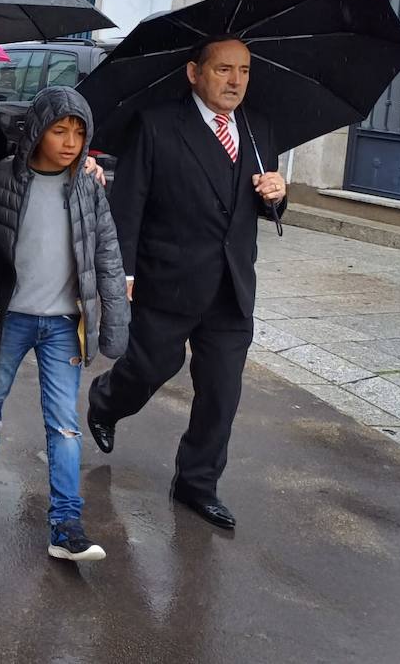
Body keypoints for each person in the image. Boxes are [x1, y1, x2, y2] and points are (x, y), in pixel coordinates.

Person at [87, 35, 286, 530]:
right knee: (153, 365)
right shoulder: (157, 126)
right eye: (223, 69)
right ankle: (106, 402)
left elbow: (263, 203)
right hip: (168, 278)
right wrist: (123, 275)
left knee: (222, 392)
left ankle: (197, 483)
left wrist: (277, 196)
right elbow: (127, 204)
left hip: (231, 288)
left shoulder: (258, 128)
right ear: (194, 73)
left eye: (243, 70)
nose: (235, 80)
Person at [0, 86, 129, 562]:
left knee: (65, 425)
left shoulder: (89, 188)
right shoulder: (6, 179)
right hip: (11, 317)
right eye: (60, 130)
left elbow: (107, 258)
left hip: (63, 325)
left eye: (79, 132)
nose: (71, 141)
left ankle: (66, 524)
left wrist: (114, 322)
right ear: (37, 131)